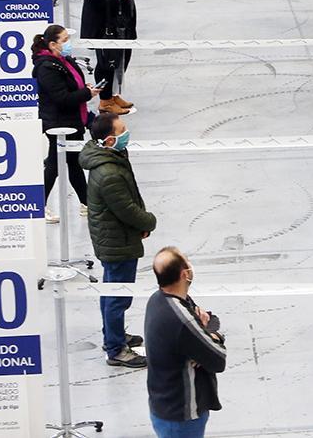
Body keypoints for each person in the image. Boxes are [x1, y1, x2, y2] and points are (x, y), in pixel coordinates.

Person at [82, 112, 157, 368]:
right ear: (110, 140)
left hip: (116, 237)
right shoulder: (109, 172)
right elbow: (125, 208)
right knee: (118, 296)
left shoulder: (109, 158)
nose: (127, 133)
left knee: (111, 290)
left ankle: (113, 336)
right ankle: (116, 349)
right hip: (117, 241)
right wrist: (148, 222)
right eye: (122, 130)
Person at [145, 247, 227, 437]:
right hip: (181, 416)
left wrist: (202, 335)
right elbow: (217, 359)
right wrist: (212, 336)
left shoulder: (158, 300)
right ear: (185, 274)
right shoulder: (182, 320)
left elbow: (208, 320)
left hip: (163, 405)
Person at [31, 24, 98, 223]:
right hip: (60, 124)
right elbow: (61, 97)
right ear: (52, 44)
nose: (68, 44)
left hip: (72, 120)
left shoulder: (62, 60)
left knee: (72, 163)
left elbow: (71, 85)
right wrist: (87, 94)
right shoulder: (46, 67)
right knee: (54, 165)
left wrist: (84, 88)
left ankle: (87, 204)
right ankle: (38, 205)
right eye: (65, 40)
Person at [81, 0, 137, 115]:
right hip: (103, 25)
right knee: (106, 62)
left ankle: (112, 94)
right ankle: (105, 101)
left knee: (118, 60)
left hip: (118, 21)